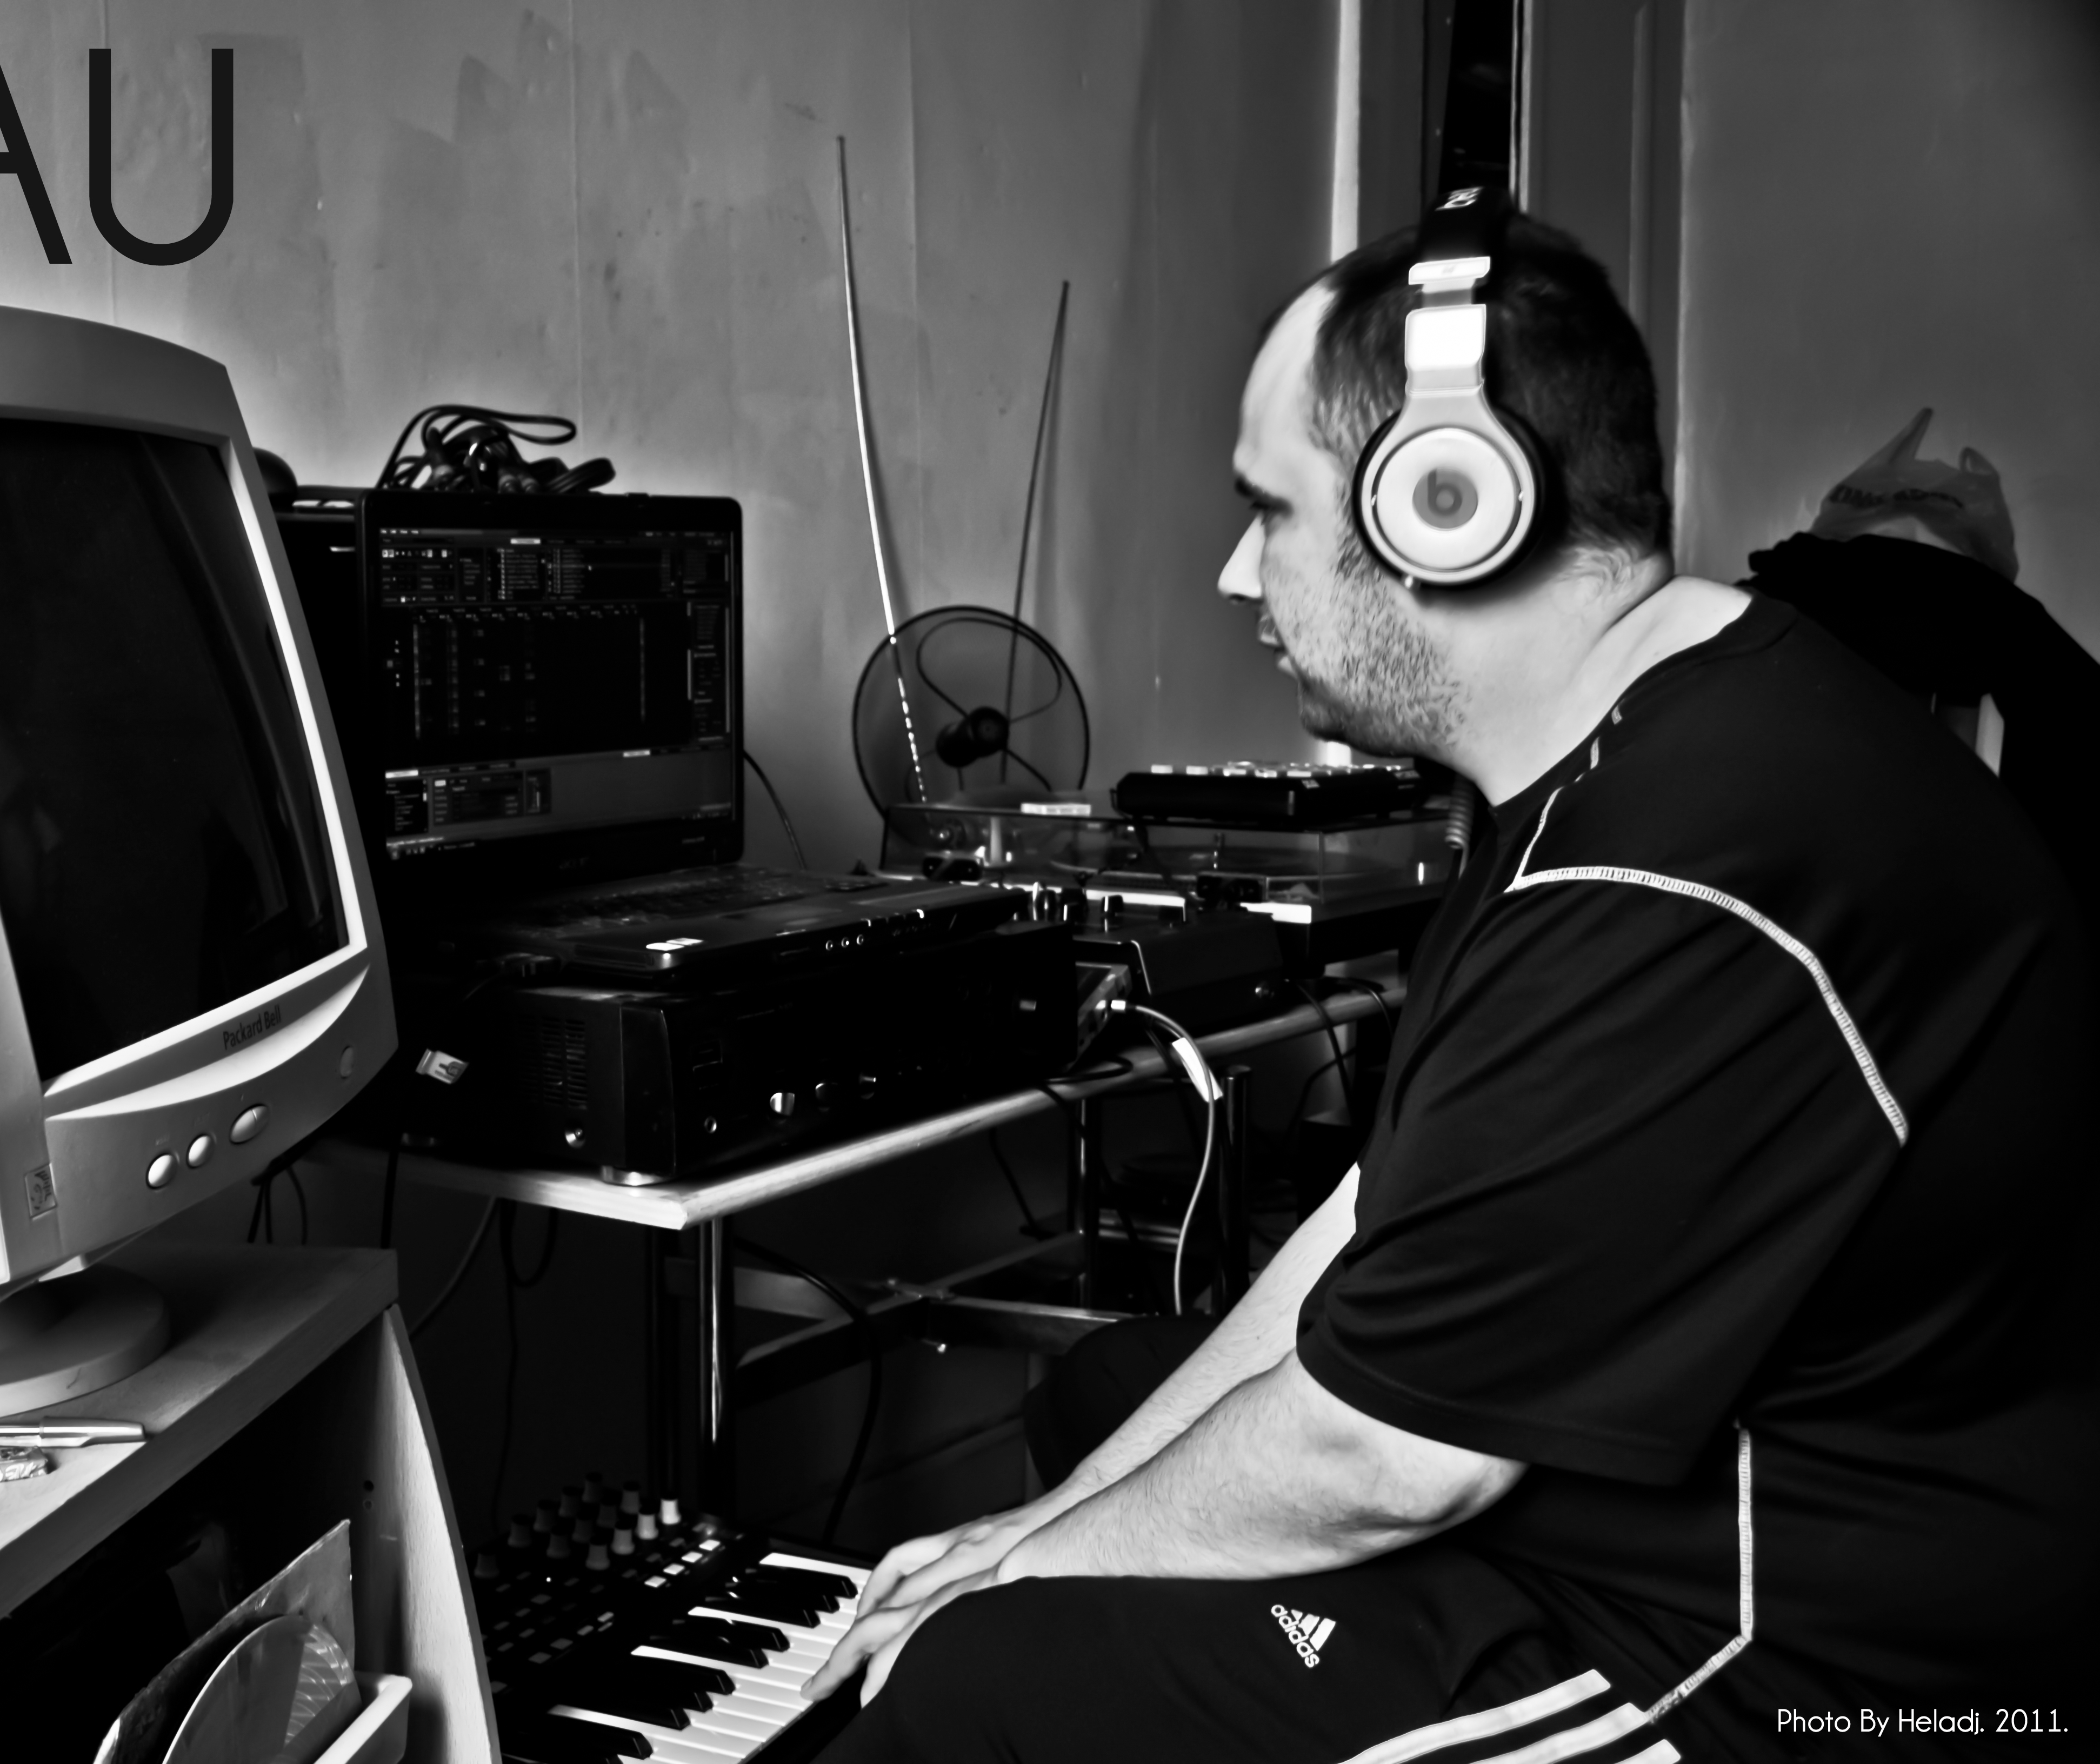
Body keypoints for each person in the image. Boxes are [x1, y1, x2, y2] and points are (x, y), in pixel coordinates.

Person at [803, 208, 2097, 1761]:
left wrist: (1010, 1581)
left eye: (1268, 510)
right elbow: (1382, 1214)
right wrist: (1051, 1522)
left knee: (983, 1682)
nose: (1235, 572)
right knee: (1108, 1397)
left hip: (1795, 1667)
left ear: (1450, 508)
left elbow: (1390, 1459)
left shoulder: (1680, 867)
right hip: (1652, 1527)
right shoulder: (1632, 736)